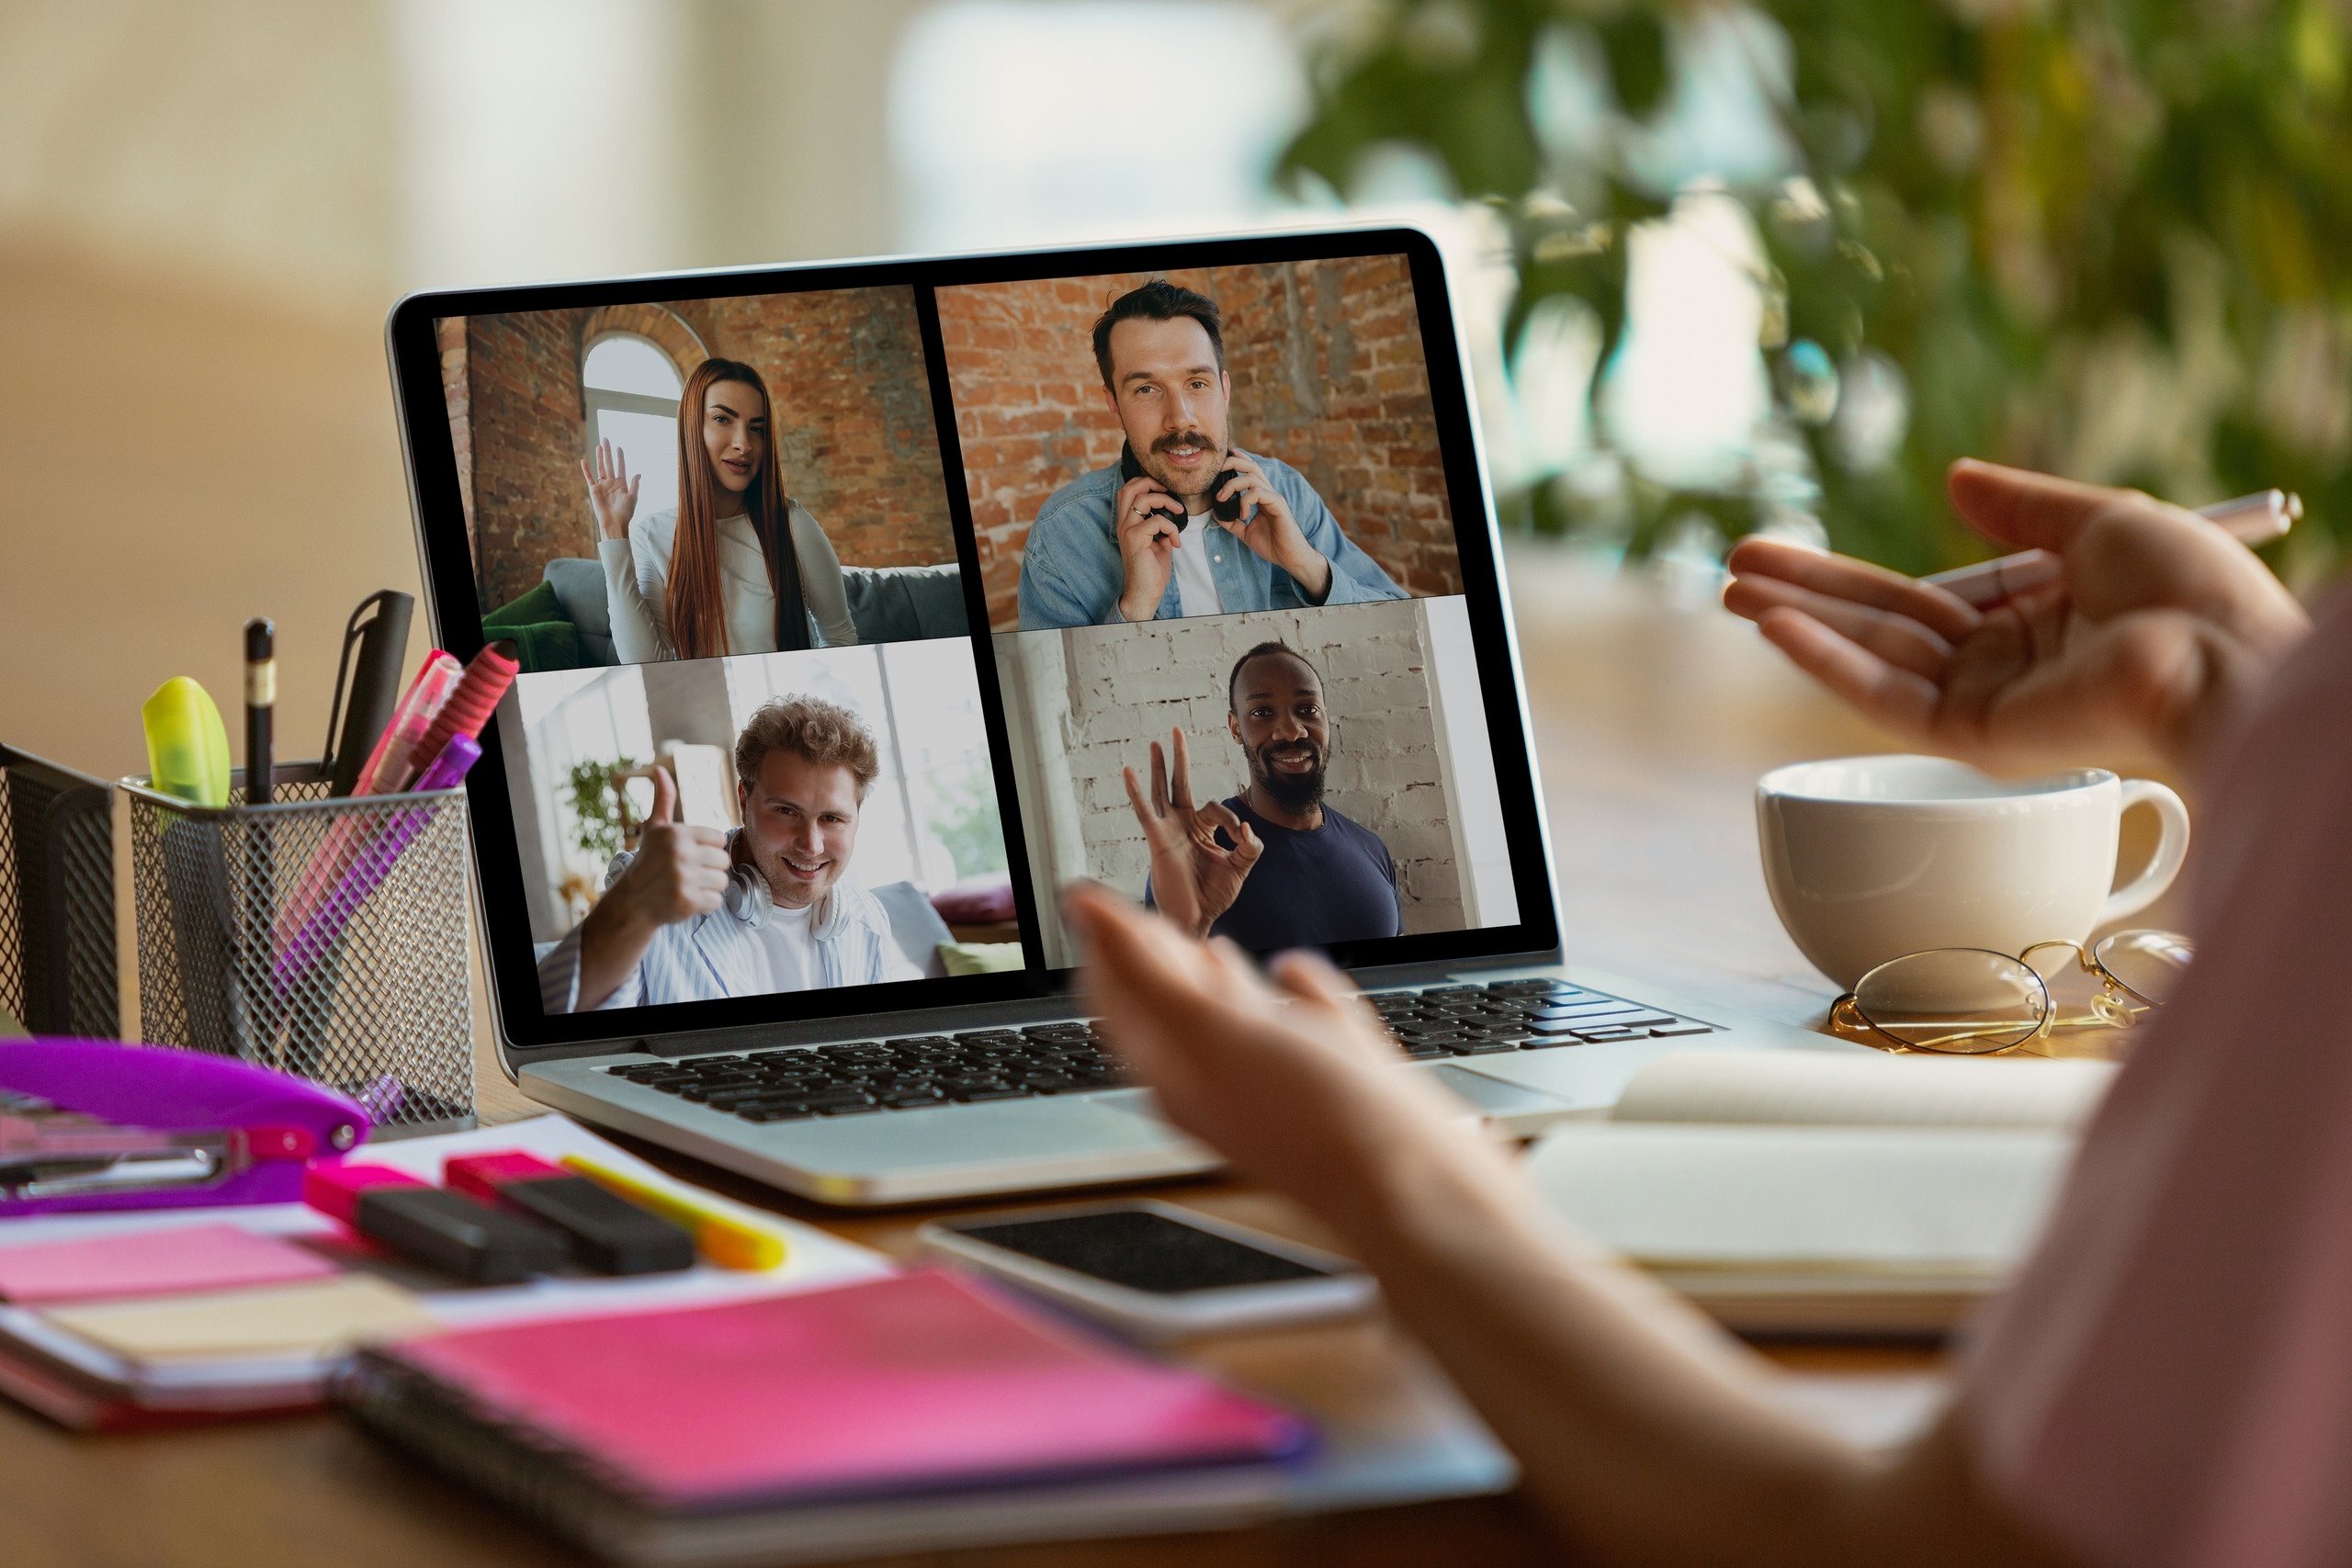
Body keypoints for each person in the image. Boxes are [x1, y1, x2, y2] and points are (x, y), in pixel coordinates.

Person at [1066, 458, 2352, 1567]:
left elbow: (1925, 1548)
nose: (1289, 726)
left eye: (1303, 703)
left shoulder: (1359, 842)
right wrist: (2246, 692)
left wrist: (1387, 1168)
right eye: (1265, 713)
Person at [1015, 279, 1408, 629]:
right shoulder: (1059, 537)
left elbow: (1403, 627)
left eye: (1197, 383)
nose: (1179, 418)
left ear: (1224, 391)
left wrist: (1307, 565)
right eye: (1146, 390)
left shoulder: (1287, 491)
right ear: (1114, 404)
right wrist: (1132, 611)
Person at [537, 695, 919, 1012]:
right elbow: (556, 1017)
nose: (812, 845)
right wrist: (632, 906)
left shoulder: (868, 920)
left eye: (833, 818)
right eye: (786, 811)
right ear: (744, 800)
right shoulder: (653, 891)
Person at [1125, 641, 1403, 949]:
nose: (1291, 730)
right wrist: (1185, 932)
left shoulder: (1371, 849)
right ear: (1236, 728)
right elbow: (1160, 993)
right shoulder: (1199, 855)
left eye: (1307, 709)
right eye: (1262, 712)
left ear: (1326, 716)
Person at [584, 356, 858, 660]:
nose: (745, 444)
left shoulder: (792, 524)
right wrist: (613, 532)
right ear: (692, 428)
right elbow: (647, 665)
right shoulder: (652, 535)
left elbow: (840, 637)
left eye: (757, 428)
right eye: (723, 419)